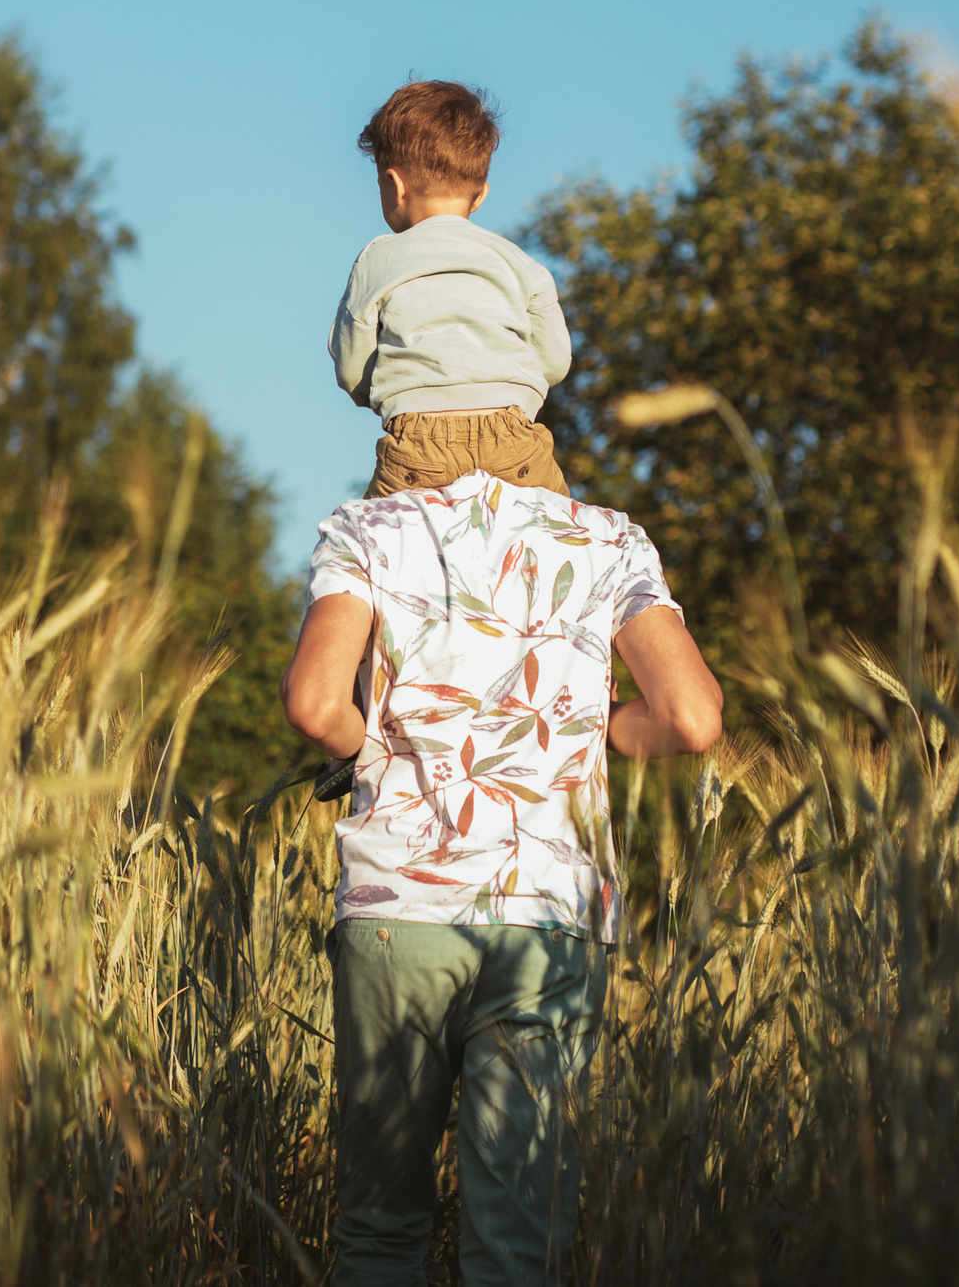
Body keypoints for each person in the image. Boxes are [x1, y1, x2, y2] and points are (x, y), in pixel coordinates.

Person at [281, 469, 724, 1286]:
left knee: (379, 1235)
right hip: (547, 921)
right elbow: (692, 717)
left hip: (397, 907)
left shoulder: (369, 525)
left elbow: (314, 703)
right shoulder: (610, 537)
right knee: (518, 1248)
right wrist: (607, 736)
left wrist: (369, 746)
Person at [330, 80, 572, 500]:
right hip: (513, 438)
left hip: (418, 441)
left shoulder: (378, 260)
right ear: (480, 195)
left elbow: (352, 369)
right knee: (565, 536)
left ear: (395, 184)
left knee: (371, 548)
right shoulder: (519, 263)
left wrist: (391, 392)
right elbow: (554, 362)